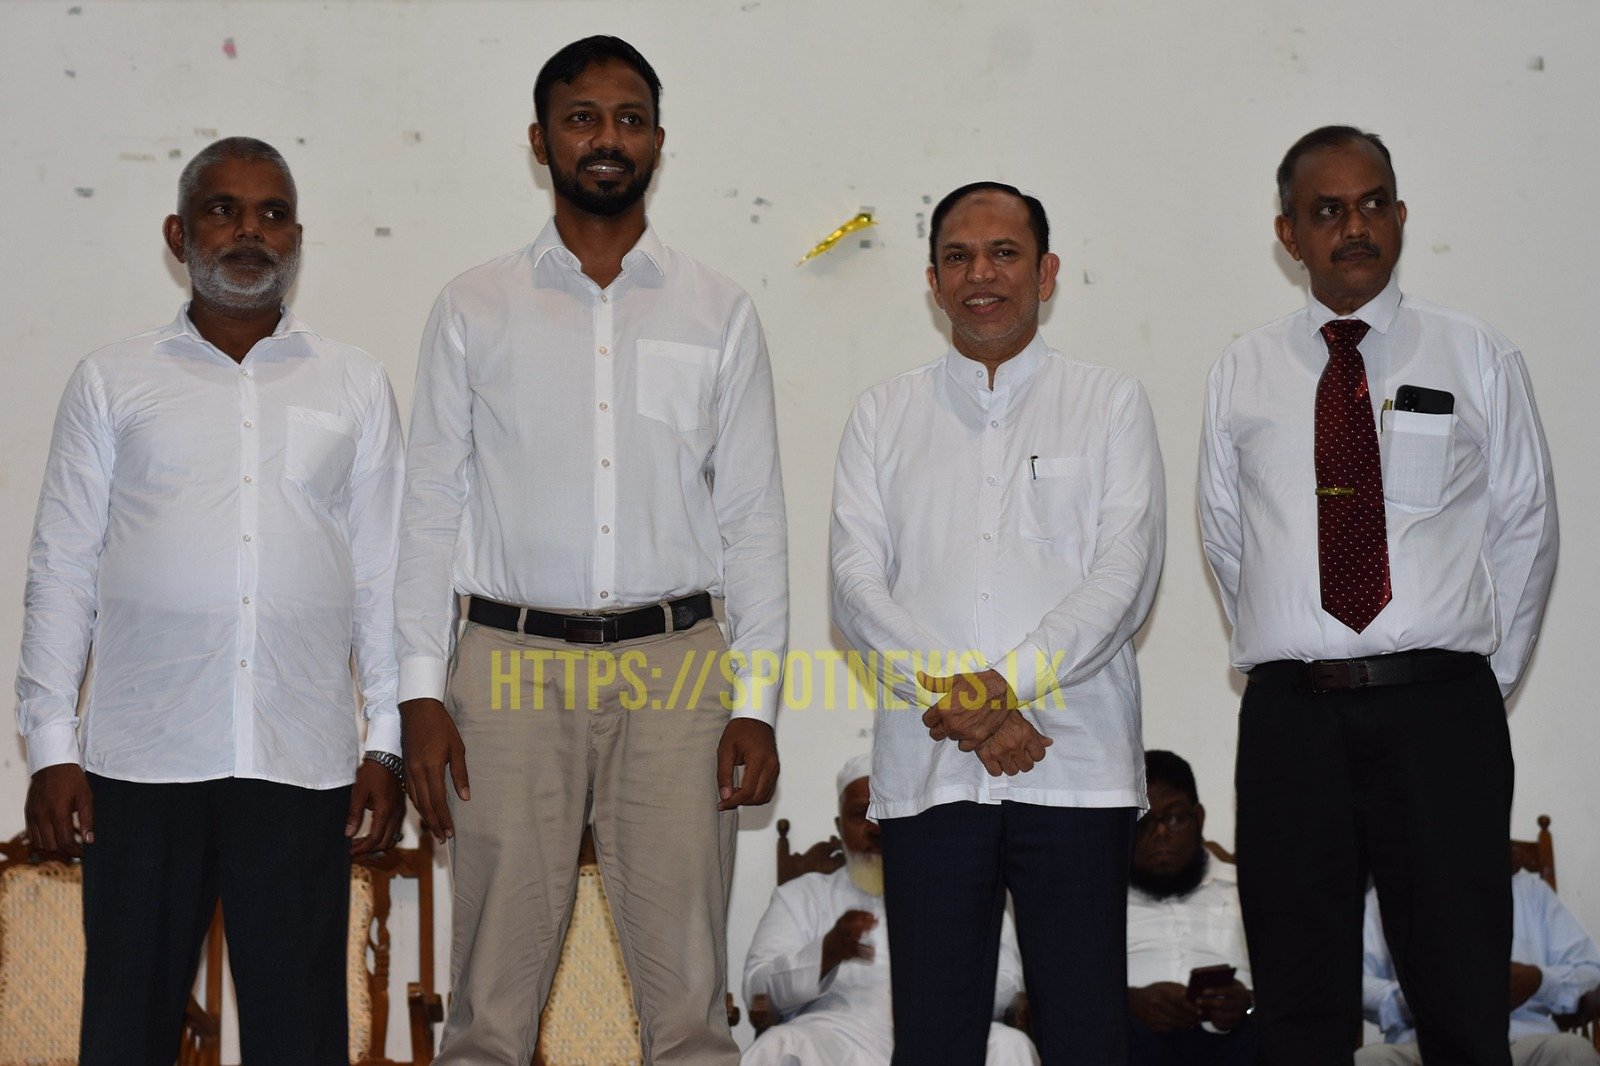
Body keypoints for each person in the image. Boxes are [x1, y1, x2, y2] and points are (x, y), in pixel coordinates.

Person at [394, 35, 788, 1064]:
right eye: (581, 117)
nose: (606, 137)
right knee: (488, 1007)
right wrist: (417, 692)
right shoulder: (474, 306)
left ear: (657, 139)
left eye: (628, 118)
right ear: (541, 141)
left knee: (691, 1006)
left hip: (677, 669)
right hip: (507, 664)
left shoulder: (718, 310)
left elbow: (752, 516)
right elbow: (428, 506)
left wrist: (756, 700)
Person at [15, 136, 405, 1066]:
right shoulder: (112, 379)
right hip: (141, 762)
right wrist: (51, 746)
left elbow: (384, 571)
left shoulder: (353, 381)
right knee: (126, 1029)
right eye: (223, 210)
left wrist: (385, 739)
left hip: (300, 758)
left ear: (297, 238)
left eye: (273, 214)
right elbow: (62, 566)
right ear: (177, 233)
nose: (248, 231)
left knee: (300, 1036)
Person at [1197, 125, 1559, 1066]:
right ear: (1289, 234)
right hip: (1292, 725)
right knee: (1298, 1003)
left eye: (1371, 205)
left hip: (1440, 714)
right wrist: (1301, 646)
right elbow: (1229, 540)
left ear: (1400, 215)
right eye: (1327, 211)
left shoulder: (1476, 353)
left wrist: (1475, 681)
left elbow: (1526, 529)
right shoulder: (1243, 370)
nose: (1353, 226)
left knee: (1461, 994)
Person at [830, 181, 1165, 1065]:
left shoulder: (1110, 402)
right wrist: (977, 706)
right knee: (933, 1040)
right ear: (933, 282)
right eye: (958, 257)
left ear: (1046, 273)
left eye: (1004, 254)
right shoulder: (882, 415)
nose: (981, 274)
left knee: (1086, 1036)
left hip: (1075, 766)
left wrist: (1000, 689)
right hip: (931, 770)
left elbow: (1123, 578)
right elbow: (856, 589)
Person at [742, 753, 1038, 1066]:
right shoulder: (801, 896)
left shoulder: (965, 893)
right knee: (777, 1046)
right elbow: (758, 990)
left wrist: (946, 976)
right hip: (835, 1034)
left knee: (1009, 1045)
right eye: (861, 814)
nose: (875, 827)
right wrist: (825, 954)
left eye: (886, 811)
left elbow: (1009, 980)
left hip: (943, 1029)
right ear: (839, 826)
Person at [1360, 869, 1600, 1066]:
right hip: (1419, 1048)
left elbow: (1592, 973)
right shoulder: (1393, 892)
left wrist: (1539, 981)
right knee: (1368, 1061)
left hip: (1522, 1044)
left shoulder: (1530, 891)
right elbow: (1352, 983)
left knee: (1573, 1052)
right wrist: (1415, 998)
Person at [1126, 750, 1255, 1065]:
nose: (1161, 833)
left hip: (1238, 1041)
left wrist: (1249, 1003)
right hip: (1136, 1038)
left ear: (1198, 818)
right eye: (1144, 822)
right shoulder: (1097, 901)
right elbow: (1067, 989)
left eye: (1174, 817)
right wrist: (1129, 1002)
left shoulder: (1248, 889)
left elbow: (1291, 982)